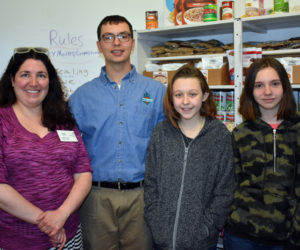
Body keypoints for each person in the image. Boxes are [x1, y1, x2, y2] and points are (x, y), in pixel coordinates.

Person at [68, 15, 166, 250]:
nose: (116, 43)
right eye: (108, 37)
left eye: (123, 36)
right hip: (95, 198)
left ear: (132, 42)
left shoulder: (157, 92)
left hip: (142, 196)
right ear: (99, 46)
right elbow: (67, 151)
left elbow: (167, 144)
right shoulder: (81, 97)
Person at [0, 47, 92, 250]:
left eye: (41, 75)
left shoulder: (63, 119)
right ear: (12, 80)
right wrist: (48, 223)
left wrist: (61, 216)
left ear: (49, 81)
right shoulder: (2, 122)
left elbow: (83, 172)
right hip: (17, 240)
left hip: (68, 234)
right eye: (25, 75)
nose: (33, 83)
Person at [144, 64, 235, 250]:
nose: (185, 101)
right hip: (161, 241)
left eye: (192, 94)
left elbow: (224, 190)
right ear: (171, 97)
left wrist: (206, 229)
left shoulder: (219, 135)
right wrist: (156, 224)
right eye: (178, 95)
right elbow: (151, 183)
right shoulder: (161, 132)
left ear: (205, 96)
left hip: (201, 242)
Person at [224, 57, 300, 250]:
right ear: (250, 90)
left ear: (285, 86)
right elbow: (230, 184)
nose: (267, 92)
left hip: (287, 237)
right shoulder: (240, 134)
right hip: (241, 236)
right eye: (259, 85)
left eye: (274, 84)